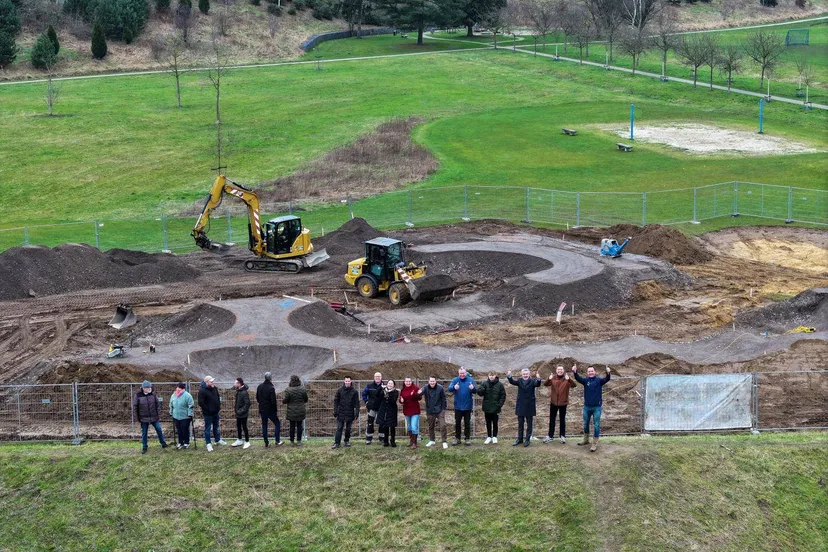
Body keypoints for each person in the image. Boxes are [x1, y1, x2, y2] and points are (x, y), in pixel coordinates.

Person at [573, 365, 611, 452]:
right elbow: (578, 378)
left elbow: (607, 379)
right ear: (587, 373)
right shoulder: (585, 381)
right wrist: (575, 372)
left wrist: (608, 373)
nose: (590, 372)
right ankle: (586, 440)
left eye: (592, 371)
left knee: (596, 425)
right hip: (587, 407)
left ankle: (594, 443)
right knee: (585, 424)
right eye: (589, 371)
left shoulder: (599, 381)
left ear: (595, 372)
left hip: (597, 407)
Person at [506, 368, 542, 447]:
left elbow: (538, 384)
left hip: (529, 406)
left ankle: (527, 440)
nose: (525, 375)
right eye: (524, 374)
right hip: (521, 406)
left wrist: (539, 379)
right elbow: (512, 381)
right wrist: (509, 376)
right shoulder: (519, 381)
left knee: (529, 424)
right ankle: (519, 439)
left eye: (526, 374)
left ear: (529, 374)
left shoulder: (533, 381)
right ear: (522, 375)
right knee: (520, 424)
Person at [133, 380, 168, 454]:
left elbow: (158, 404)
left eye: (150, 387)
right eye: (148, 388)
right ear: (143, 388)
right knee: (144, 433)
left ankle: (163, 444)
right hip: (143, 418)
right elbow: (135, 407)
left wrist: (158, 414)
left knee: (159, 429)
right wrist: (137, 418)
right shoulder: (138, 395)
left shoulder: (153, 394)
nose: (150, 389)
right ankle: (144, 447)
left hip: (154, 417)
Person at [544, 365, 576, 444]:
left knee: (562, 420)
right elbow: (545, 384)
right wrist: (549, 378)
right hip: (553, 402)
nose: (560, 371)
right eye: (558, 369)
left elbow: (574, 385)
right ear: (556, 370)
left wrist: (569, 379)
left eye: (561, 369)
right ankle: (550, 436)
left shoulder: (566, 378)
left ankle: (562, 436)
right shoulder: (553, 378)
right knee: (552, 420)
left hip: (563, 403)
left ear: (563, 370)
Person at [447, 367, 476, 446]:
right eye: (460, 373)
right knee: (457, 423)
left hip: (467, 406)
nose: (462, 375)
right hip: (458, 407)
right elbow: (449, 388)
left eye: (463, 373)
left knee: (467, 423)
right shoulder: (455, 380)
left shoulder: (470, 380)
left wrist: (473, 388)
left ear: (466, 373)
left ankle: (467, 438)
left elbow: (476, 390)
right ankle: (457, 438)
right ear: (458, 373)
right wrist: (454, 387)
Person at [198, 376, 227, 452]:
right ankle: (208, 443)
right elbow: (201, 403)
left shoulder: (214, 388)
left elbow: (217, 397)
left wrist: (218, 407)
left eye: (212, 381)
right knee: (207, 428)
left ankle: (217, 440)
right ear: (206, 382)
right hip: (208, 414)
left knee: (216, 427)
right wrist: (208, 409)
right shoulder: (202, 391)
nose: (212, 382)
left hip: (215, 412)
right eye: (211, 381)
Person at [476, 371, 506, 444]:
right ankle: (489, 437)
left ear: (495, 375)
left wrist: (499, 404)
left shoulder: (500, 385)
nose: (491, 376)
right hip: (487, 407)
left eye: (493, 375)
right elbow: (479, 393)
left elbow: (503, 395)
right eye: (490, 375)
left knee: (495, 423)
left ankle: (495, 437)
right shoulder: (485, 383)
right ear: (488, 376)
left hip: (496, 408)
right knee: (488, 423)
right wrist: (480, 390)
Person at [419, 376, 448, 449]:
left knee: (443, 425)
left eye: (433, 381)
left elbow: (444, 399)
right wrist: (418, 393)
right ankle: (432, 440)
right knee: (431, 426)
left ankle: (444, 441)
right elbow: (420, 394)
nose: (432, 382)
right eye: (431, 381)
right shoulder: (425, 387)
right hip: (430, 410)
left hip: (439, 410)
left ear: (435, 381)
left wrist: (443, 409)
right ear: (428, 381)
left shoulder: (440, 388)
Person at [256, 372, 283, 448]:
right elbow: (273, 401)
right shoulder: (271, 388)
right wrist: (275, 410)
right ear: (271, 378)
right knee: (277, 423)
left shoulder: (259, 386)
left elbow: (257, 398)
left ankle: (266, 442)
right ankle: (277, 441)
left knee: (264, 425)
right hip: (270, 410)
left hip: (262, 409)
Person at [333, 376, 359, 449]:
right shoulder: (340, 390)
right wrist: (335, 410)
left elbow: (357, 403)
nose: (347, 382)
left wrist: (357, 412)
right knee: (339, 428)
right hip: (341, 412)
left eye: (348, 381)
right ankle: (337, 443)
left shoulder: (354, 392)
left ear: (351, 382)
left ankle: (346, 441)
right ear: (344, 381)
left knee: (348, 429)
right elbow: (336, 401)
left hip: (350, 413)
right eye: (346, 381)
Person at [283, 375, 309, 446]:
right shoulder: (303, 389)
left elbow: (285, 400)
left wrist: (284, 400)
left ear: (291, 381)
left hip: (291, 411)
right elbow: (306, 399)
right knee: (299, 426)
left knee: (292, 426)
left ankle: (291, 441)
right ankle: (299, 441)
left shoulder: (288, 390)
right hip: (300, 411)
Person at [399, 377, 422, 449]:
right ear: (404, 382)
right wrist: (401, 401)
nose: (408, 383)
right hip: (407, 410)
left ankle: (415, 443)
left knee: (414, 426)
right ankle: (411, 441)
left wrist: (414, 394)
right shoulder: (403, 390)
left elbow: (420, 397)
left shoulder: (415, 388)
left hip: (415, 411)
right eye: (406, 381)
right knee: (409, 427)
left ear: (411, 382)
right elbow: (401, 399)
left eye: (409, 381)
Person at [169, 382, 194, 450]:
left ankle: (186, 442)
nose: (178, 389)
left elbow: (190, 405)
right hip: (176, 416)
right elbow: (171, 404)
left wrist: (190, 414)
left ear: (183, 388)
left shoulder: (187, 395)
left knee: (185, 430)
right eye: (177, 387)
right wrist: (171, 412)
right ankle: (180, 442)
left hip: (185, 417)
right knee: (179, 430)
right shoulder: (173, 395)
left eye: (180, 388)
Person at [362, 372, 384, 445]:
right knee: (370, 423)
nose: (377, 378)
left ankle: (382, 438)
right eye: (376, 376)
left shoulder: (385, 386)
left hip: (381, 408)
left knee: (382, 423)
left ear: (381, 377)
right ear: (374, 377)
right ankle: (368, 439)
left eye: (379, 376)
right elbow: (364, 394)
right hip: (372, 408)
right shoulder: (369, 386)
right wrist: (366, 402)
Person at [376, 379, 399, 447]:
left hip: (392, 411)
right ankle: (386, 441)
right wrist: (381, 388)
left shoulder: (395, 392)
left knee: (392, 427)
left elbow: (393, 401)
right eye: (389, 383)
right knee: (385, 426)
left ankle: (392, 441)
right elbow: (377, 395)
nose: (390, 385)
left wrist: (388, 394)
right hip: (384, 410)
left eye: (391, 384)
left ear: (393, 385)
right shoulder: (383, 391)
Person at [232, 378, 251, 449]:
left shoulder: (244, 392)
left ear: (239, 384)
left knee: (244, 427)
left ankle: (247, 441)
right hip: (238, 414)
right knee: (239, 427)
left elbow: (248, 403)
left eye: (235, 383)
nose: (234, 384)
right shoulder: (238, 391)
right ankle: (239, 440)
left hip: (243, 414)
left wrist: (241, 411)